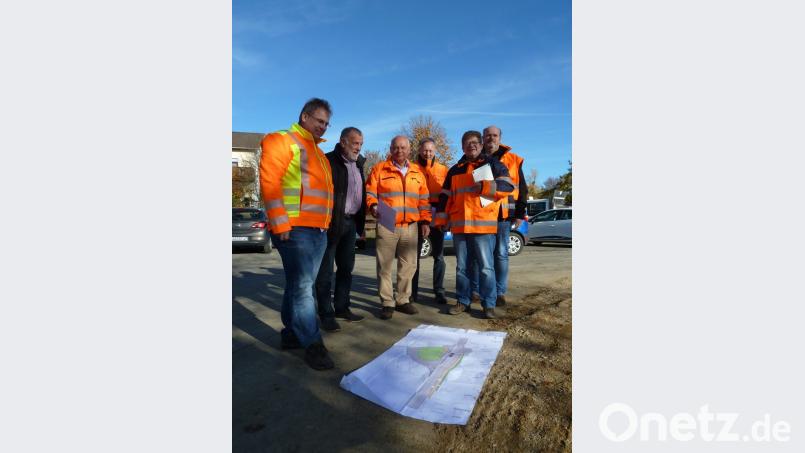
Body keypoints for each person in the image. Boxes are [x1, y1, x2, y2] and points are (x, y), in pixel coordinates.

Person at [259, 98, 335, 371]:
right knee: (304, 288)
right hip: (294, 229)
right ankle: (313, 345)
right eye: (319, 121)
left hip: (318, 229)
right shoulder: (281, 140)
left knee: (297, 285)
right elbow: (270, 182)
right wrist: (280, 224)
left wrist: (326, 225)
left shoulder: (319, 153)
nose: (323, 127)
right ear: (304, 116)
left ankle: (291, 334)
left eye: (327, 123)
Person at [433, 130, 513, 319]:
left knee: (486, 268)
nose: (472, 145)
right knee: (462, 267)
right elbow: (445, 197)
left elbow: (508, 186)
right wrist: (442, 220)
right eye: (467, 143)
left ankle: (489, 304)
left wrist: (486, 187)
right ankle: (463, 301)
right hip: (460, 228)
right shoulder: (455, 170)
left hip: (483, 227)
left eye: (475, 142)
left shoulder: (493, 165)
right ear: (462, 147)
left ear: (481, 144)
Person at [366, 136, 432, 320]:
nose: (399, 151)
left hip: (411, 226)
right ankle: (387, 302)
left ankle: (403, 300)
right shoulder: (379, 168)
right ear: (391, 149)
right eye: (396, 147)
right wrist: (373, 206)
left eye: (403, 147)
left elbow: (424, 200)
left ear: (409, 149)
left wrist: (425, 221)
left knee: (408, 265)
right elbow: (370, 191)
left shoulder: (418, 172)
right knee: (384, 266)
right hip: (387, 224)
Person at [467, 126, 529, 307]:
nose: (490, 138)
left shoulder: (514, 160)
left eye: (494, 135)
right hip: (482, 214)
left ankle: (500, 292)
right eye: (487, 136)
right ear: (482, 138)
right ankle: (477, 291)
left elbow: (522, 189)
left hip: (503, 214)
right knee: (479, 256)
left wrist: (519, 213)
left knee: (501, 254)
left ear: (500, 137)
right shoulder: (475, 159)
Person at [314, 127, 367, 332]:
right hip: (330, 223)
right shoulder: (328, 161)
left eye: (361, 144)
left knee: (346, 269)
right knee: (325, 273)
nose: (359, 148)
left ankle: (342, 308)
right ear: (343, 142)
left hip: (351, 223)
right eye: (355, 143)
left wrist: (360, 226)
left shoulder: (359, 164)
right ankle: (326, 314)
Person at [411, 138, 449, 305]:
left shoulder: (443, 170)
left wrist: (445, 217)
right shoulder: (412, 168)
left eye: (431, 150)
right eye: (425, 150)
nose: (427, 153)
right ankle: (412, 292)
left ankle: (439, 291)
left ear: (435, 151)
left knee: (439, 256)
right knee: (414, 257)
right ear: (419, 150)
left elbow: (448, 195)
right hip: (418, 216)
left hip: (437, 215)